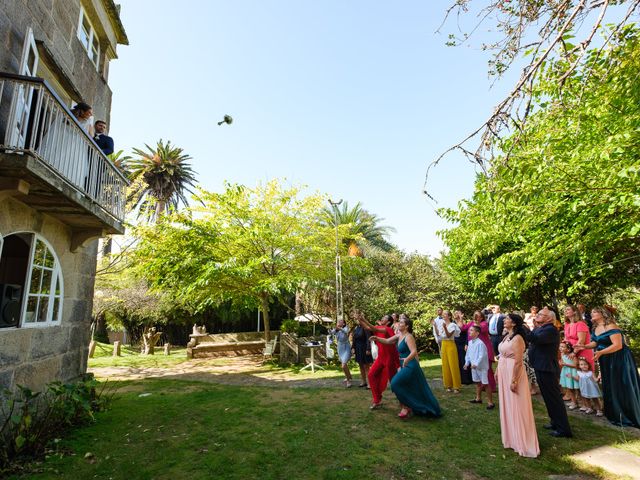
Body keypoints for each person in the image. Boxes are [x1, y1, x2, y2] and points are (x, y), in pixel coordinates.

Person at [574, 306, 640, 428]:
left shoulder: (610, 326)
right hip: (607, 359)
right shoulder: (596, 328)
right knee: (610, 384)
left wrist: (601, 353)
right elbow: (596, 342)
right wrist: (583, 346)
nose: (591, 313)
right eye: (591, 311)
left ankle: (628, 413)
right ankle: (615, 413)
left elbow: (618, 345)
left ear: (603, 314)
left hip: (620, 359)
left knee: (621, 384)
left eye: (594, 312)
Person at [372, 315, 441, 418]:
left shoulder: (409, 337)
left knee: (395, 383)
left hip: (410, 365)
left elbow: (414, 351)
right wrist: (376, 338)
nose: (399, 324)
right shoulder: (399, 335)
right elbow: (387, 341)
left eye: (401, 323)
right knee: (409, 387)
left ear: (407, 326)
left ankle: (407, 406)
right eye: (399, 322)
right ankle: (408, 406)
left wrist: (407, 360)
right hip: (404, 365)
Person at [495, 313, 540, 458]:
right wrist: (497, 370)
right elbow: (502, 355)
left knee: (517, 405)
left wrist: (514, 381)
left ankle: (523, 441)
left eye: (507, 319)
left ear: (514, 323)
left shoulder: (518, 338)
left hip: (514, 373)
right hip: (504, 371)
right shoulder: (506, 336)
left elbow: (519, 362)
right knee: (507, 404)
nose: (504, 321)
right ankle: (511, 439)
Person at [528, 307, 573, 438]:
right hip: (540, 366)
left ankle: (563, 428)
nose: (537, 315)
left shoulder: (551, 330)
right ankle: (554, 421)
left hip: (547, 367)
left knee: (554, 398)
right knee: (547, 397)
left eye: (541, 314)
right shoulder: (540, 328)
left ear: (549, 318)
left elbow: (535, 339)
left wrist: (522, 327)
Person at [357, 313, 400, 409]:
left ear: (388, 322)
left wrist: (364, 319)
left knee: (394, 381)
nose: (382, 318)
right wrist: (360, 319)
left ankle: (403, 400)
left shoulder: (387, 329)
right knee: (371, 375)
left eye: (384, 318)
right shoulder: (379, 327)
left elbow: (374, 329)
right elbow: (368, 328)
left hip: (390, 358)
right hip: (381, 357)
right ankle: (377, 399)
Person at [465, 325, 494, 409]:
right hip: (474, 367)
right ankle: (478, 398)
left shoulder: (480, 343)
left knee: (485, 383)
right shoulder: (470, 342)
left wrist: (476, 364)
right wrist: (467, 363)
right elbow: (468, 354)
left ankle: (490, 402)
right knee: (477, 383)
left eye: (471, 330)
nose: (469, 332)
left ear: (477, 333)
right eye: (469, 330)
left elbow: (482, 355)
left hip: (481, 367)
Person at [440, 310, 461, 393]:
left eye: (445, 314)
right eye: (443, 314)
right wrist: (434, 326)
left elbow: (448, 335)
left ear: (449, 316)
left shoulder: (452, 325)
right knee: (445, 365)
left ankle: (456, 386)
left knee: (453, 364)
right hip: (443, 344)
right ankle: (448, 385)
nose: (443, 315)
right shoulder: (442, 325)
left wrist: (445, 328)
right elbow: (440, 336)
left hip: (450, 344)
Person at [330, 319, 353, 388]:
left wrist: (340, 328)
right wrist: (333, 329)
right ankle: (349, 376)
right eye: (338, 321)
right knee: (344, 364)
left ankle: (348, 381)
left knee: (343, 364)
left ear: (343, 324)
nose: (339, 322)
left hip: (346, 347)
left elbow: (346, 332)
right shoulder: (336, 329)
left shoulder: (346, 328)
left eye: (341, 322)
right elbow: (331, 333)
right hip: (340, 347)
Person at [454, 310, 473, 386]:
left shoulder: (463, 323)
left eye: (457, 313)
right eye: (454, 313)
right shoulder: (452, 323)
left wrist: (466, 344)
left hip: (462, 344)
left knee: (463, 360)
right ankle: (460, 378)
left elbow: (466, 334)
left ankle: (466, 379)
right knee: (458, 360)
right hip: (455, 343)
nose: (455, 314)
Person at [558, 341, 579, 410]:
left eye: (562, 347)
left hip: (572, 373)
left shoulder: (572, 356)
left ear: (568, 349)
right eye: (560, 346)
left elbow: (575, 365)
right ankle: (573, 401)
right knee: (569, 388)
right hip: (566, 372)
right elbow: (562, 361)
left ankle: (576, 402)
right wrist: (561, 363)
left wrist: (565, 364)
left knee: (573, 388)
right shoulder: (562, 354)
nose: (560, 348)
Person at [351, 322, 373, 388]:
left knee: (366, 366)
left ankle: (370, 383)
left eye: (358, 319)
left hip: (365, 348)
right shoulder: (356, 327)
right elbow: (354, 339)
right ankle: (363, 382)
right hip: (358, 348)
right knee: (360, 365)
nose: (357, 320)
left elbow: (368, 338)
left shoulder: (366, 327)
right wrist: (353, 347)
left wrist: (368, 349)